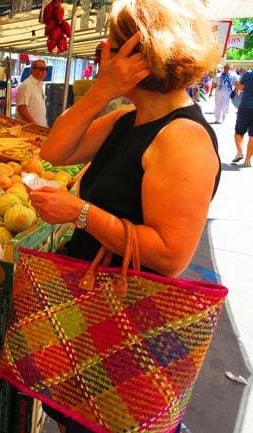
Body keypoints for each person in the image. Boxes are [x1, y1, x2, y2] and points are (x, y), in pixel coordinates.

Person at [28, 0, 221, 431]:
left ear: (141, 55)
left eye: (112, 45)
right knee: (76, 418)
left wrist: (81, 214)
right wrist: (100, 91)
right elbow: (54, 151)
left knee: (103, 421)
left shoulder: (182, 138)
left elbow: (172, 256)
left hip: (125, 326)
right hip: (93, 312)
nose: (101, 50)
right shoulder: (127, 119)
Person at [15, 60, 48, 127]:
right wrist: (34, 125)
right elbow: (21, 108)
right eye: (41, 69)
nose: (44, 71)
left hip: (38, 128)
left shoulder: (39, 85)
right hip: (29, 129)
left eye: (46, 69)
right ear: (32, 70)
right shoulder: (27, 85)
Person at [232, 69, 253, 166]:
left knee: (238, 132)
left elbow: (239, 87)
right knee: (252, 136)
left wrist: (243, 86)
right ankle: (247, 160)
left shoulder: (249, 74)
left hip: (246, 106)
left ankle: (240, 152)